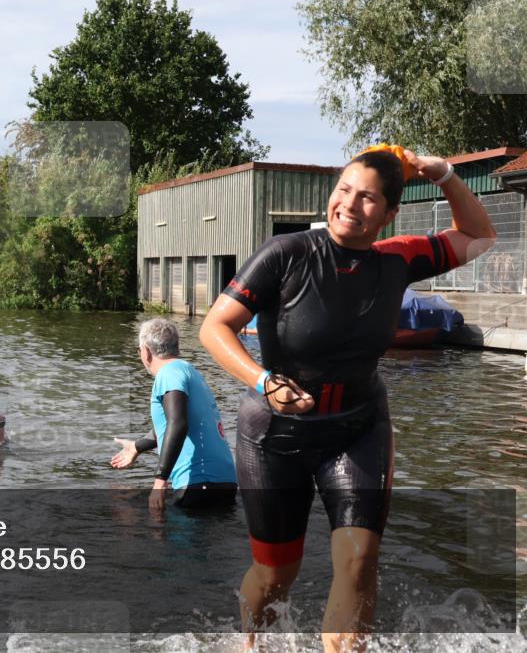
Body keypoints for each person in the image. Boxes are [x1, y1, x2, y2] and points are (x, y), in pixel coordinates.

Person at [198, 146, 496, 653]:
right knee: (276, 576)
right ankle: (253, 644)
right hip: (275, 434)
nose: (349, 205)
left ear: (389, 213)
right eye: (343, 190)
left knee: (359, 560)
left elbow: (480, 238)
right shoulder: (286, 254)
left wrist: (444, 174)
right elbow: (215, 327)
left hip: (358, 428)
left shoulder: (397, 261)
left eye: (367, 198)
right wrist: (264, 380)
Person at [112, 318, 236, 513]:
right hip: (225, 482)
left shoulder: (167, 374)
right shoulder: (189, 371)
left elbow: (177, 424)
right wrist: (137, 446)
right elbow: (171, 424)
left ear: (145, 351)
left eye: (138, 351)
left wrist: (159, 482)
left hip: (196, 482)